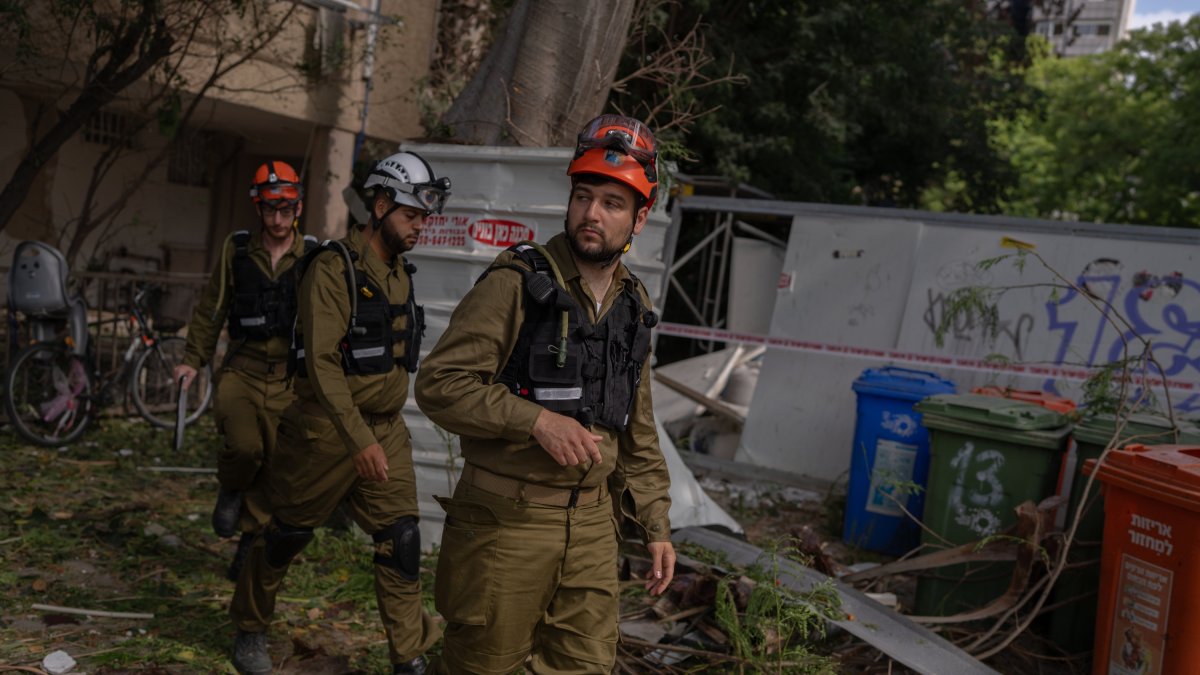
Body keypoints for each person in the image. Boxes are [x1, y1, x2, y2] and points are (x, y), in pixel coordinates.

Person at [415, 114, 676, 674]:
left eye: (611, 203)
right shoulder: (517, 282)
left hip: (591, 529)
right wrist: (535, 421)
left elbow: (638, 427)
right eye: (584, 196)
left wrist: (655, 524)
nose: (591, 214)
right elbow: (440, 385)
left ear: (640, 218)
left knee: (584, 668)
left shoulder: (634, 306)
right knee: (483, 667)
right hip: (506, 523)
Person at [227, 150, 448, 675]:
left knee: (401, 540)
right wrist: (358, 440)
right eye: (411, 214)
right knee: (285, 536)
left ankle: (409, 654)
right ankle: (249, 626)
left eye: (424, 216)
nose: (421, 225)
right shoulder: (332, 268)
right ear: (379, 205)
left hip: (386, 429)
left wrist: (377, 436)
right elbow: (323, 365)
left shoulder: (399, 271)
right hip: (326, 431)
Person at [175, 161, 316, 581]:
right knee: (243, 448)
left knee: (274, 469)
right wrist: (192, 358)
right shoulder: (236, 249)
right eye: (270, 210)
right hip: (241, 370)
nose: (278, 220)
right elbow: (212, 308)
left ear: (298, 208)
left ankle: (249, 546)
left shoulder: (311, 255)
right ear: (258, 207)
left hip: (288, 379)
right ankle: (231, 486)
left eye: (286, 210)